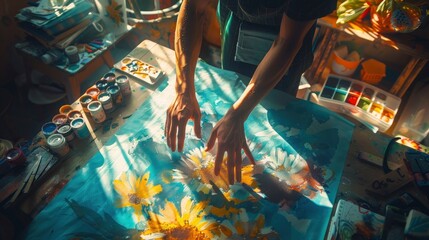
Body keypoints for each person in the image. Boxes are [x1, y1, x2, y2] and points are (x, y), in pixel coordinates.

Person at [165, 0, 337, 184]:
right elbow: (193, 7)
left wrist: (238, 113)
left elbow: (287, 41)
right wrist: (184, 89)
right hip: (237, 23)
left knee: (277, 113)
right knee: (233, 87)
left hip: (288, 37)